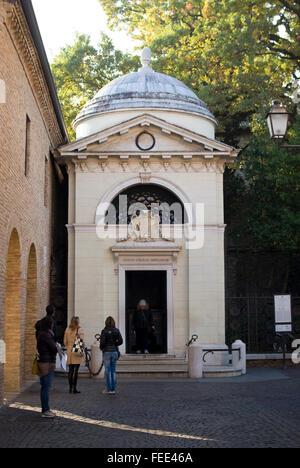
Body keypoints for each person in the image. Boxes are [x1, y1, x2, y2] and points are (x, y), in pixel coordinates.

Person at [37, 316, 58, 419]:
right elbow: (53, 348)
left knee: (45, 386)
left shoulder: (42, 334)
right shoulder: (46, 335)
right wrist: (57, 346)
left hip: (44, 361)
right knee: (46, 387)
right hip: (47, 363)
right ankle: (45, 410)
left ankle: (46, 409)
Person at [100, 317, 123, 395]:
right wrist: (114, 344)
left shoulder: (104, 331)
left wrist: (102, 348)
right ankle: (113, 389)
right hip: (114, 351)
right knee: (113, 371)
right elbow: (121, 341)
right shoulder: (116, 330)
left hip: (107, 351)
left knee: (108, 371)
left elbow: (102, 342)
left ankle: (109, 389)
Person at [64, 317, 85, 394]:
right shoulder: (79, 330)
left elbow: (65, 342)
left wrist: (69, 346)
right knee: (76, 371)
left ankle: (70, 388)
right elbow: (82, 341)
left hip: (69, 350)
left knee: (70, 370)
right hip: (76, 350)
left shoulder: (67, 329)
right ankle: (74, 388)